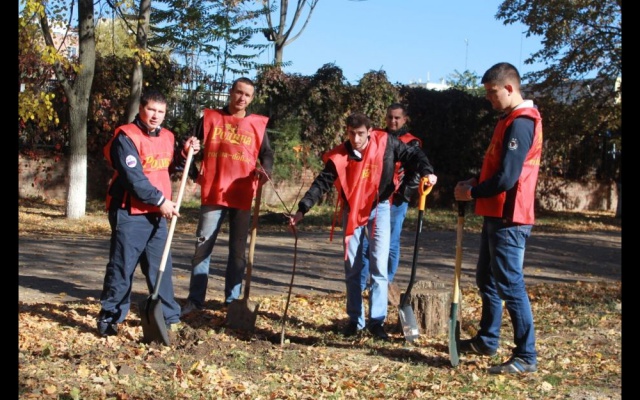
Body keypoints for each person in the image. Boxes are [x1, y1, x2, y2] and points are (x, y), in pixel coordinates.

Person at [289, 112, 437, 341]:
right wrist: (302, 209)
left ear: (370, 131)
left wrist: (427, 172)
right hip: (353, 211)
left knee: (379, 266)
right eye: (351, 134)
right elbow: (323, 181)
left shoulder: (387, 143)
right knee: (352, 267)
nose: (356, 139)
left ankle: (377, 322)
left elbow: (413, 154)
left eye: (360, 134)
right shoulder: (341, 154)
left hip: (380, 208)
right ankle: (355, 320)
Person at [454, 62, 543, 374]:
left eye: (492, 92)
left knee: (509, 284)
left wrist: (473, 193)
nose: (489, 99)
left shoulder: (522, 122)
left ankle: (526, 356)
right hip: (495, 213)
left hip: (510, 217)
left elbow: (507, 177)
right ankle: (487, 339)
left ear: (509, 88)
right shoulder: (507, 120)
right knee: (486, 278)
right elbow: (496, 168)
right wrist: (474, 182)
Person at [97, 88, 201, 337]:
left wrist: (185, 153)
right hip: (130, 212)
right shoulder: (126, 137)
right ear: (141, 109)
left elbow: (168, 166)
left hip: (157, 213)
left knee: (159, 266)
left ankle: (169, 317)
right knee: (122, 267)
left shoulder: (167, 136)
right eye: (151, 109)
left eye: (161, 111)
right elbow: (134, 179)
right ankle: (110, 318)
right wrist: (160, 200)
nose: (155, 115)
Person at [181, 77, 274, 315]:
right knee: (203, 248)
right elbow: (189, 145)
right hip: (214, 192)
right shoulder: (210, 118)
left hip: (242, 195)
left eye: (247, 95)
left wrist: (265, 170)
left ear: (252, 99)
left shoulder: (257, 125)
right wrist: (194, 171)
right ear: (231, 92)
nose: (242, 98)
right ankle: (195, 301)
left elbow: (267, 155)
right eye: (239, 92)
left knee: (238, 252)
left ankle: (232, 302)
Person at [360, 103, 423, 306]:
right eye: (389, 117)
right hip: (375, 198)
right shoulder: (377, 136)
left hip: (396, 200)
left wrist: (402, 195)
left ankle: (386, 282)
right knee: (367, 243)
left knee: (391, 242)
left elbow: (415, 173)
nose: (392, 121)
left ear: (404, 119)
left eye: (397, 118)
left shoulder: (412, 142)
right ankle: (363, 283)